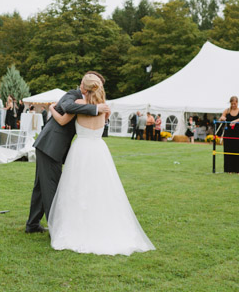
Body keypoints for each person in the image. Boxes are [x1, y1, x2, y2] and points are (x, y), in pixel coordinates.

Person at [44, 73, 154, 255]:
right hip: (99, 150)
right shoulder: (105, 109)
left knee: (77, 188)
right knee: (101, 188)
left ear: (85, 89)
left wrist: (52, 109)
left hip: (81, 150)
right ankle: (101, 224)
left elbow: (62, 120)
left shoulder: (79, 105)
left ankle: (77, 226)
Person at [25, 72, 111, 234]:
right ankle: (56, 229)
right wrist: (95, 108)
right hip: (50, 145)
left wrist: (96, 107)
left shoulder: (90, 101)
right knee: (51, 187)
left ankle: (32, 224)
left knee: (41, 186)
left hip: (52, 147)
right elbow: (67, 107)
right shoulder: (73, 95)